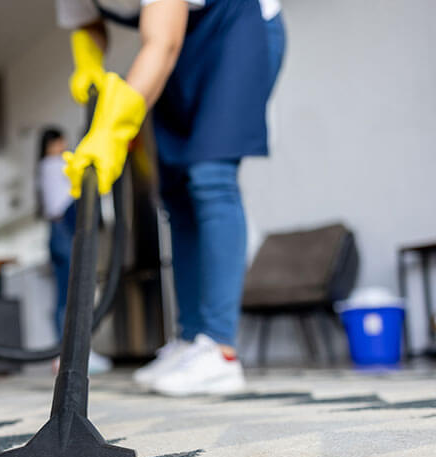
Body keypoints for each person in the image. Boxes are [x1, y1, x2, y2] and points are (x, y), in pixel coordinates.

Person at [56, 0, 285, 395]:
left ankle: (219, 350)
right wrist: (88, 62)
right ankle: (192, 340)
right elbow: (88, 21)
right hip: (177, 49)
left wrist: (115, 129)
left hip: (235, 29)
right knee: (176, 195)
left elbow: (162, 43)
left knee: (211, 177)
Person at [38, 126, 112, 374]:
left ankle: (64, 355)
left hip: (54, 233)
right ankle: (79, 355)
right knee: (77, 292)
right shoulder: (57, 164)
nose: (65, 145)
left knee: (63, 296)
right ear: (54, 143)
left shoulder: (42, 167)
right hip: (66, 232)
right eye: (62, 141)